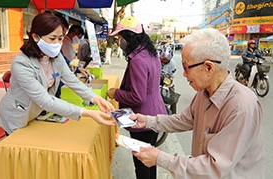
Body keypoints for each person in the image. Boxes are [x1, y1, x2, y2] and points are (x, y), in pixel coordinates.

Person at [130, 28, 264, 178]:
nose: (184, 74)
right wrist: (147, 121)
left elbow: (214, 167)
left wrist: (159, 158)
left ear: (208, 67)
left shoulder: (241, 106)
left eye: (186, 67)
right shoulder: (204, 93)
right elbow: (184, 120)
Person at [0, 12, 116, 135]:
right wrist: (86, 112)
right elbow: (45, 100)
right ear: (36, 37)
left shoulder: (55, 56)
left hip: (35, 113)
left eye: (60, 38)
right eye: (52, 38)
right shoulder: (21, 63)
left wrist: (95, 98)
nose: (57, 44)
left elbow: (71, 80)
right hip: (16, 115)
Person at [106, 16, 167, 179]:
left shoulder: (138, 60)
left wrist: (115, 93)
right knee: (150, 160)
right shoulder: (149, 53)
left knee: (141, 165)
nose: (120, 43)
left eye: (121, 38)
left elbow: (137, 97)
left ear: (129, 37)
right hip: (155, 114)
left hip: (143, 120)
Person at [159, 45, 177, 114]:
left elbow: (172, 77)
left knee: (173, 100)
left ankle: (174, 115)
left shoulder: (172, 63)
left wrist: (168, 85)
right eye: (163, 59)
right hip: (158, 82)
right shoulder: (157, 60)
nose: (164, 61)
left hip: (168, 81)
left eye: (166, 60)